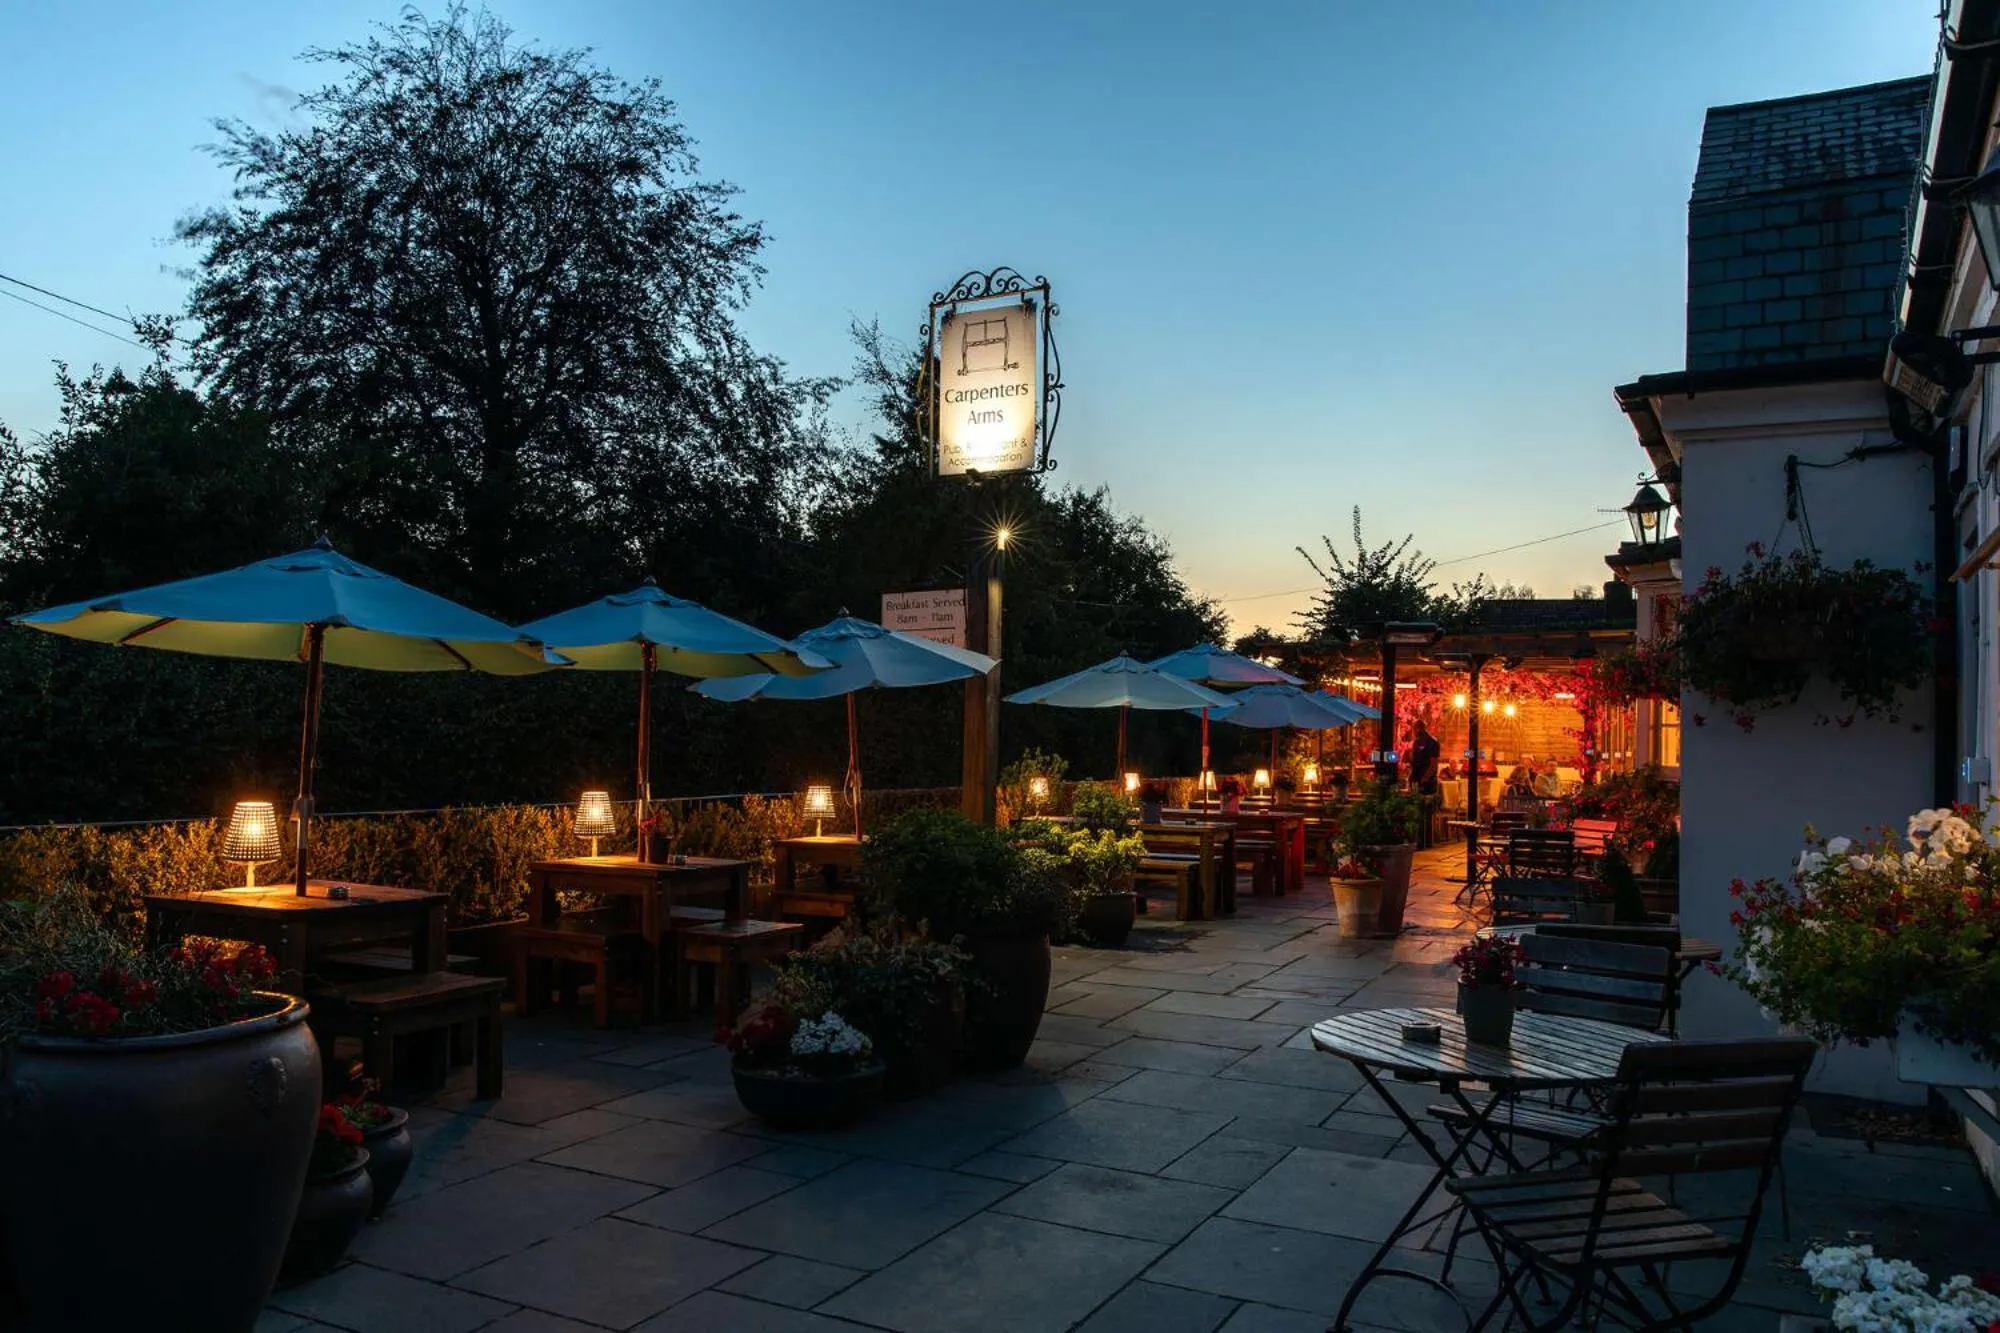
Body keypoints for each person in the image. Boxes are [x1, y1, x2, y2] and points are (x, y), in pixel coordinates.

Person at [1408, 719, 1441, 796]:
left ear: (1419, 729)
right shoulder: (1416, 742)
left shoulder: (1431, 741)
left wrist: (1425, 778)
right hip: (1416, 779)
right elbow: (1414, 760)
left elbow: (1434, 763)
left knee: (1426, 804)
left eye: (1414, 729)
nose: (1413, 732)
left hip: (1427, 781)